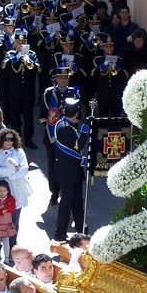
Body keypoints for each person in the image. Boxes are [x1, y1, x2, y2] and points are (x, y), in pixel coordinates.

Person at [40, 66, 79, 206]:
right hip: (51, 136)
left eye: (66, 77)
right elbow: (42, 116)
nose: (63, 80)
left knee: (68, 165)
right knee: (53, 166)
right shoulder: (48, 93)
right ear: (56, 79)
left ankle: (68, 192)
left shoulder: (74, 93)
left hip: (68, 136)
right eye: (61, 77)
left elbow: (78, 116)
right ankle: (54, 193)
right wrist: (53, 127)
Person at [54, 98, 89, 240]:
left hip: (72, 172)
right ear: (77, 113)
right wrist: (85, 130)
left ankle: (81, 229)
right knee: (67, 203)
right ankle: (60, 232)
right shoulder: (66, 128)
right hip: (69, 173)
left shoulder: (63, 124)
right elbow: (78, 146)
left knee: (77, 203)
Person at [0, 129, 30, 241]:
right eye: (6, 139)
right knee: (0, 221)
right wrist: (14, 168)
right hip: (2, 193)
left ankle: (13, 245)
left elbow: (24, 170)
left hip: (17, 190)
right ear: (1, 140)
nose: (9, 142)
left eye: (12, 139)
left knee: (14, 222)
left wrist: (10, 176)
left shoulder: (19, 152)